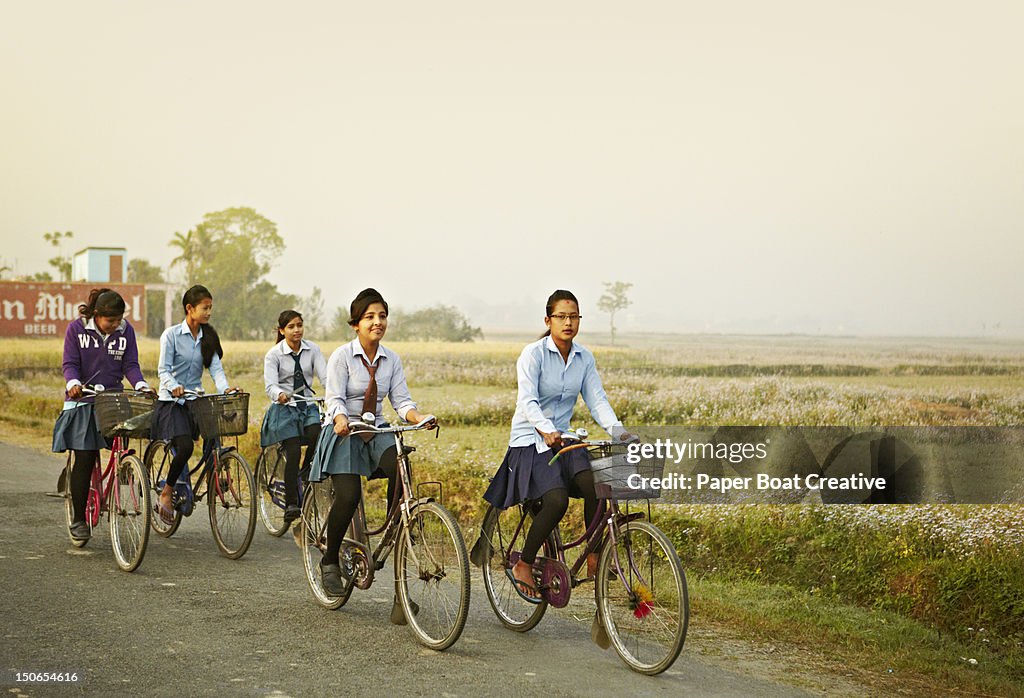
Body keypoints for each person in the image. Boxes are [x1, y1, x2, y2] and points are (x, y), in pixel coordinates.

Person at [482, 289, 627, 601]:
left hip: (565, 439)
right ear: (548, 320)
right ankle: (525, 562)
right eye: (561, 316)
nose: (568, 322)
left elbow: (597, 400)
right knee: (557, 499)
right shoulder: (532, 354)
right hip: (530, 441)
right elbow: (527, 401)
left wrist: (620, 432)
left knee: (598, 484)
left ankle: (594, 556)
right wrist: (546, 429)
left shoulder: (584, 358)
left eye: (574, 316)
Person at [309, 288, 435, 606]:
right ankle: (330, 561)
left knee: (401, 465)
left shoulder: (391, 359)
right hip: (344, 431)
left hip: (374, 428)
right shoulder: (341, 357)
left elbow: (402, 401)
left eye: (381, 316)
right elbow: (335, 397)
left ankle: (398, 527)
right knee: (349, 495)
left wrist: (418, 417)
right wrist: (339, 418)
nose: (377, 322)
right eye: (369, 317)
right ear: (356, 324)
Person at [53, 288, 152, 542]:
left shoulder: (125, 331)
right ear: (97, 315)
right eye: (110, 321)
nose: (115, 325)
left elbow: (130, 364)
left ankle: (124, 475)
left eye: (119, 320)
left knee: (121, 444)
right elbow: (70, 364)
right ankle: (78, 519)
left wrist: (140, 385)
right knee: (85, 457)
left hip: (113, 400)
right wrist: (72, 382)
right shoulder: (76, 330)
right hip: (83, 400)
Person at [152, 285, 239, 523]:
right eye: (205, 307)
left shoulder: (208, 336)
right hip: (172, 401)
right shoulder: (170, 335)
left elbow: (216, 370)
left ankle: (216, 475)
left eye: (211, 307)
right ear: (190, 309)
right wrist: (173, 385)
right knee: (186, 447)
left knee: (215, 433)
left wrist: (226, 389)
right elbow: (164, 370)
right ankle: (167, 493)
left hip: (195, 399)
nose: (209, 312)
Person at [261, 309, 327, 523]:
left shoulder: (313, 350)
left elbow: (325, 377)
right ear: (282, 330)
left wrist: (334, 394)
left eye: (299, 325)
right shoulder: (274, 355)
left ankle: (306, 473)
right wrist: (279, 394)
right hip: (285, 407)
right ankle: (291, 503)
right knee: (293, 449)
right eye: (291, 327)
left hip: (307, 405)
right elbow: (270, 384)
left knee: (317, 435)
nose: (296, 330)